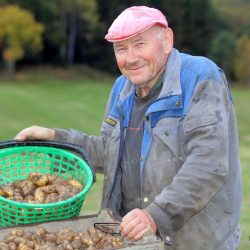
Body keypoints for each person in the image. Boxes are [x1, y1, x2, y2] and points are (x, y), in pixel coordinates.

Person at [15, 6, 242, 250]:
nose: (130, 58)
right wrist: (55, 138)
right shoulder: (121, 88)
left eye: (140, 44)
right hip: (134, 239)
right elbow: (112, 154)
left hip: (194, 241)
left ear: (167, 40)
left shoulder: (200, 77)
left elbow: (209, 164)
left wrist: (156, 214)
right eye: (121, 49)